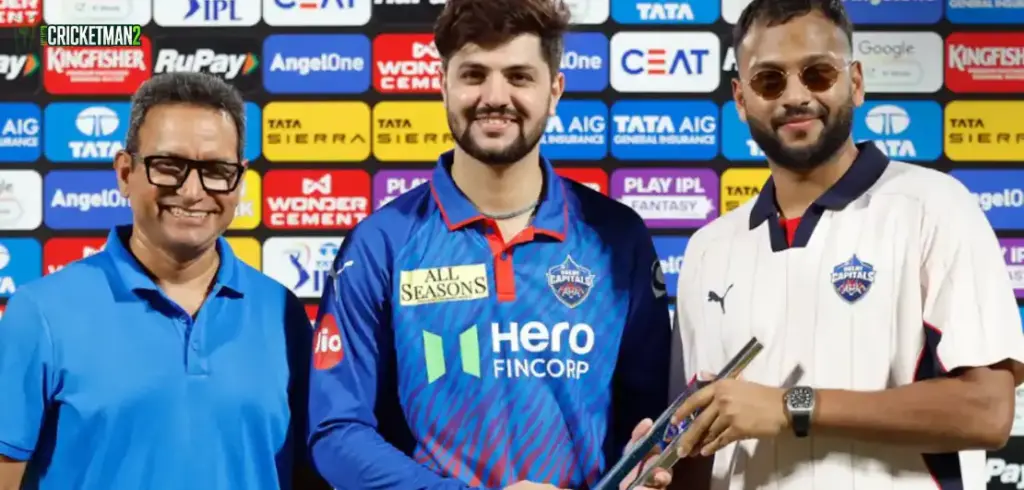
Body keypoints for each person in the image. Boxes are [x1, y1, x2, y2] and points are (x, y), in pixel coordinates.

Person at [306, 0, 673, 489]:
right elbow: (336, 431)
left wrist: (644, 462)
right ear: (443, 85)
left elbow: (649, 416)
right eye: (474, 75)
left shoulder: (617, 237)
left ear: (554, 91)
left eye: (519, 77)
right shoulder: (381, 243)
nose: (495, 97)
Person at [666, 1, 1024, 489]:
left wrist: (792, 407)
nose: (795, 96)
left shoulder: (934, 206)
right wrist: (658, 463)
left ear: (855, 82)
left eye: (818, 74)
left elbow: (987, 411)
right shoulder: (708, 249)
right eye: (769, 80)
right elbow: (697, 448)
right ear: (741, 98)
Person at [0, 72, 324, 490]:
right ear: (125, 173)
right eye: (169, 166)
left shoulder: (281, 311)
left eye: (216, 170)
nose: (192, 191)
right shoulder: (40, 313)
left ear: (239, 181)